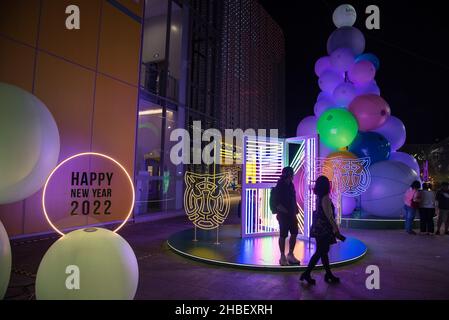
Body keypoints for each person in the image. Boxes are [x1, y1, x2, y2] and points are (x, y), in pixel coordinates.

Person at [300, 176, 345, 285]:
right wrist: (337, 230)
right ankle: (306, 273)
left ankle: (328, 274)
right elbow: (329, 217)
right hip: (324, 230)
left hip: (319, 228)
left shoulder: (319, 197)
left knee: (323, 252)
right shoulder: (325, 198)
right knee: (320, 252)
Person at [271, 167, 301, 266]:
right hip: (283, 216)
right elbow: (276, 203)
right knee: (283, 235)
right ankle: (282, 256)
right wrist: (286, 211)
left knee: (294, 233)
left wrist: (295, 209)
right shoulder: (280, 186)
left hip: (291, 214)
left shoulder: (291, 185)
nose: (293, 176)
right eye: (292, 174)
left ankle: (290, 254)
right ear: (289, 175)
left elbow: (293, 197)